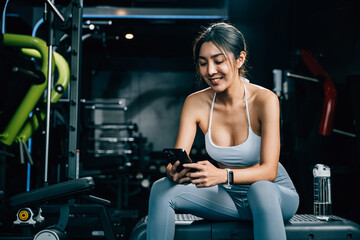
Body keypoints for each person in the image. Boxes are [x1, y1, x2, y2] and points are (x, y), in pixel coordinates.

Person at [146, 22, 299, 240]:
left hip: (274, 195)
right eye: (203, 63)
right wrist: (173, 171)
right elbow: (178, 155)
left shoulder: (265, 100)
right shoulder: (195, 103)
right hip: (227, 197)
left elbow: (269, 171)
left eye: (218, 61)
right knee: (161, 189)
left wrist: (222, 175)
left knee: (260, 189)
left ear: (240, 59)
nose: (210, 71)